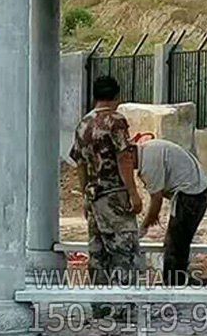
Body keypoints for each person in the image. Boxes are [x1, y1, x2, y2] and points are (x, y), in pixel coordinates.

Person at [69, 75, 143, 289]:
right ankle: (124, 302)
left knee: (98, 254)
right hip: (114, 195)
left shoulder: (83, 124)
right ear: (116, 95)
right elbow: (123, 158)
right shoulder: (115, 121)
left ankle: (99, 300)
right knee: (124, 252)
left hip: (94, 196)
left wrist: (85, 194)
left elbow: (80, 163)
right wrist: (133, 193)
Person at [133, 137, 207, 286]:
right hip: (198, 188)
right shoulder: (150, 149)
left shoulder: (148, 164)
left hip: (192, 194)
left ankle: (173, 285)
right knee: (179, 242)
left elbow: (156, 200)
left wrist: (144, 227)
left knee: (175, 244)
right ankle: (176, 280)